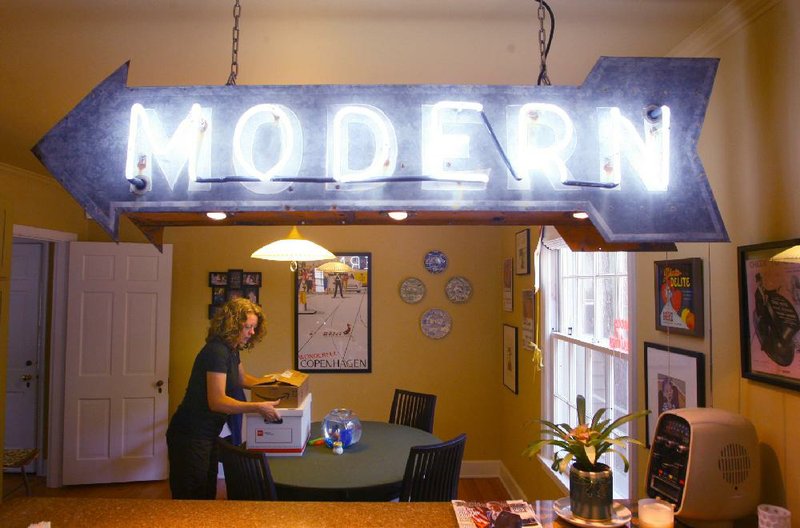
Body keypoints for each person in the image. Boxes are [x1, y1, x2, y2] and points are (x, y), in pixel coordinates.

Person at [166, 298, 281, 500]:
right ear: (233, 324)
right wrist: (258, 407)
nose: (252, 332)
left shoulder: (232, 350)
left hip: (209, 433)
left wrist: (274, 384)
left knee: (206, 492)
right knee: (190, 497)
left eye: (254, 327)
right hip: (191, 435)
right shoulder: (216, 352)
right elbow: (217, 401)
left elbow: (242, 379)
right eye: (248, 327)